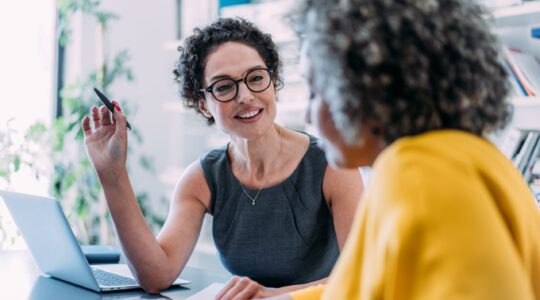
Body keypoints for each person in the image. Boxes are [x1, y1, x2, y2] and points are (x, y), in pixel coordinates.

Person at [81, 18, 363, 297]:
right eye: (224, 87)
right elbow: (156, 275)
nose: (245, 96)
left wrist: (273, 297)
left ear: (273, 82)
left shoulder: (333, 165)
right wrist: (112, 174)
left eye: (256, 78)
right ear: (203, 104)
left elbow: (362, 276)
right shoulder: (202, 177)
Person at [279, 0, 540, 299]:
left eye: (315, 91)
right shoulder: (470, 156)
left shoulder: (419, 173)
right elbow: (368, 284)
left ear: (364, 87)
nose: (309, 117)